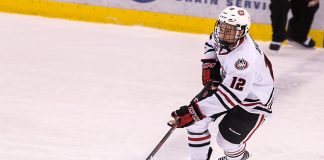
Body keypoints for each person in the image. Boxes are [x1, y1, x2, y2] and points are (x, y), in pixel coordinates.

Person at [169, 6, 274, 160]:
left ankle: (238, 158)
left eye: (230, 30)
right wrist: (210, 65)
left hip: (253, 102)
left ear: (242, 32)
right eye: (223, 27)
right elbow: (211, 44)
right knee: (195, 123)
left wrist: (195, 111)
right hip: (228, 86)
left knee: (226, 143)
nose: (224, 33)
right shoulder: (221, 35)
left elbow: (228, 99)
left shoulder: (244, 60)